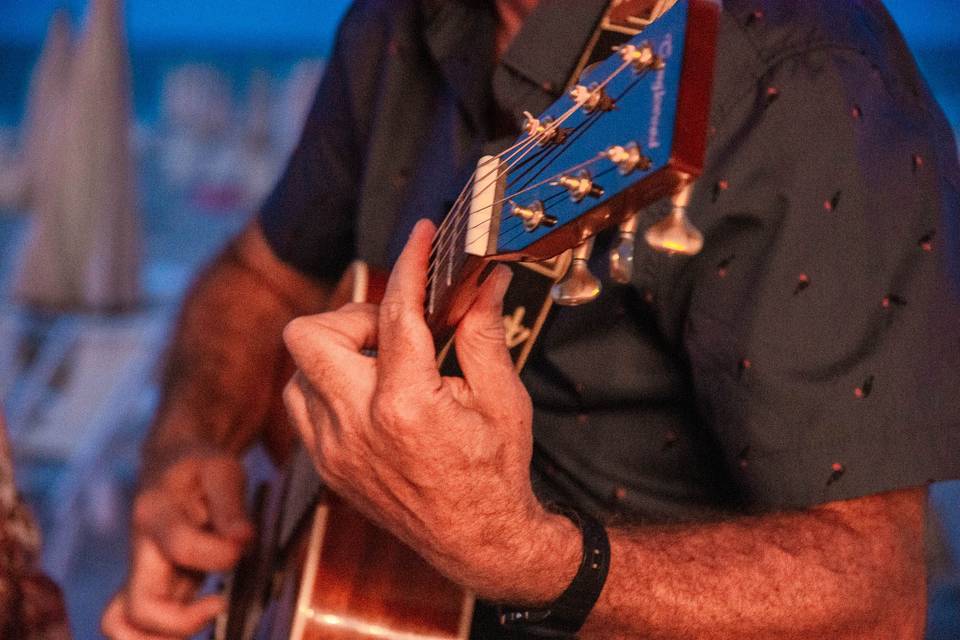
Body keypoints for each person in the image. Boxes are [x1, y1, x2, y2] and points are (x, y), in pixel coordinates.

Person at [102, 0, 960, 638]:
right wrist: (185, 447)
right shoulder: (395, 25)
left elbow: (877, 597)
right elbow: (259, 275)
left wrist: (532, 558)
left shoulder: (801, 76)